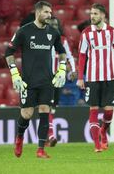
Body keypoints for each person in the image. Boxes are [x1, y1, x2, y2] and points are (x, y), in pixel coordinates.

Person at [5, 1, 66, 159]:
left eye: (50, 12)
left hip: (47, 81)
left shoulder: (53, 32)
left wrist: (62, 69)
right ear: (38, 12)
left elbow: (62, 52)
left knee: (45, 111)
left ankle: (40, 149)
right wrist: (14, 74)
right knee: (27, 113)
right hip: (28, 82)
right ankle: (19, 137)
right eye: (46, 12)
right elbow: (8, 52)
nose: (49, 15)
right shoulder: (24, 31)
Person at [77, 3, 114, 152]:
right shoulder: (86, 33)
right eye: (91, 13)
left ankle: (103, 131)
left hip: (108, 78)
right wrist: (81, 77)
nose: (92, 16)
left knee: (108, 112)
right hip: (92, 79)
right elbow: (82, 56)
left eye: (95, 14)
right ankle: (97, 145)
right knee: (93, 110)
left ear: (103, 16)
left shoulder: (112, 32)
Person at [46, 16, 76, 147]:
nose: (53, 26)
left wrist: (73, 70)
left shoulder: (62, 41)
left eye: (55, 24)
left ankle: (48, 136)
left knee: (52, 107)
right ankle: (50, 135)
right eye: (51, 24)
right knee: (46, 106)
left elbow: (69, 55)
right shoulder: (41, 38)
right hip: (45, 77)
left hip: (57, 78)